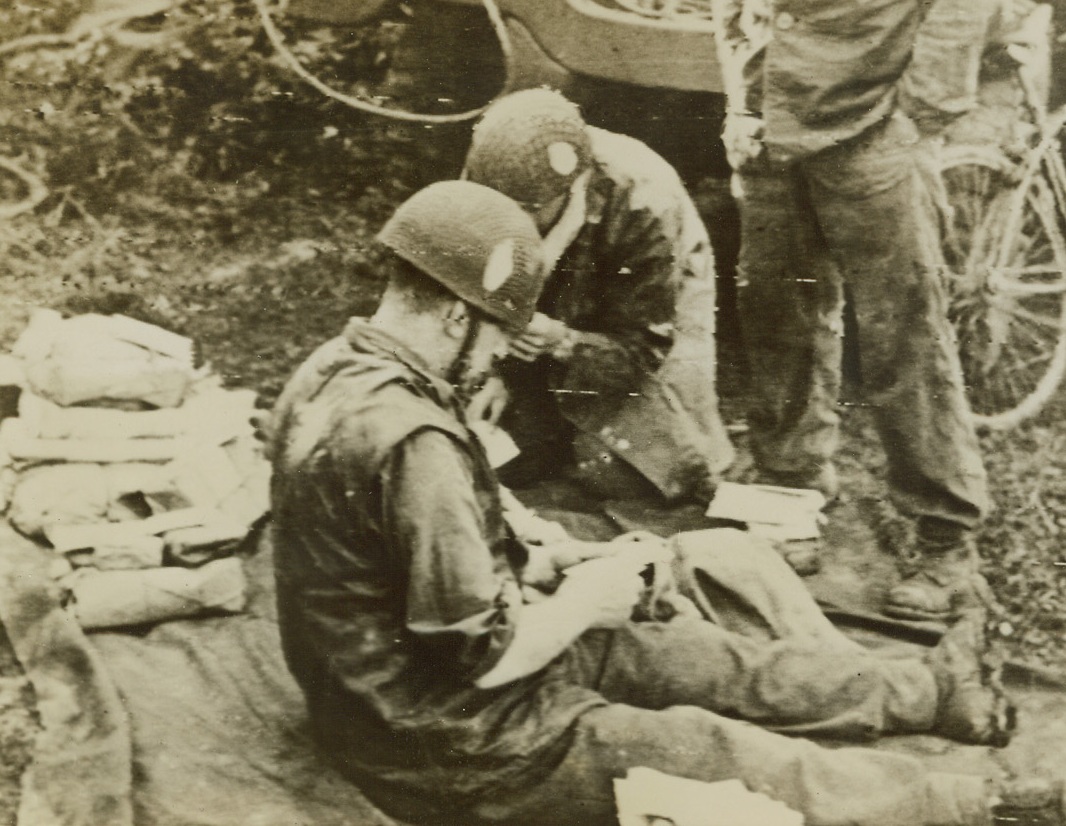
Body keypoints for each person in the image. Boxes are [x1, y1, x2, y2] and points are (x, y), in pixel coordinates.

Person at [265, 180, 1061, 826]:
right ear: (451, 314)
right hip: (444, 738)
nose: (501, 353)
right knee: (705, 750)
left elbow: (393, 549)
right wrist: (584, 600)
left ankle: (932, 692)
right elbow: (485, 657)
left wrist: (550, 560)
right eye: (498, 333)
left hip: (389, 689)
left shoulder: (334, 369)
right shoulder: (416, 442)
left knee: (693, 657)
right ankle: (977, 807)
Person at [710, 0, 1001, 622]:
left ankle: (945, 542)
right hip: (771, 130)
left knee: (904, 338)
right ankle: (790, 495)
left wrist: (915, 116)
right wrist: (741, 103)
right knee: (778, 322)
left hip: (875, 131)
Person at [462, 88, 734, 504]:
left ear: (569, 191)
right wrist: (496, 370)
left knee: (661, 472)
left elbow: (642, 351)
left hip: (653, 294)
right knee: (512, 447)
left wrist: (562, 341)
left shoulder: (647, 205)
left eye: (526, 209)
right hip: (564, 290)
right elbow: (477, 285)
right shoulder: (488, 172)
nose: (509, 220)